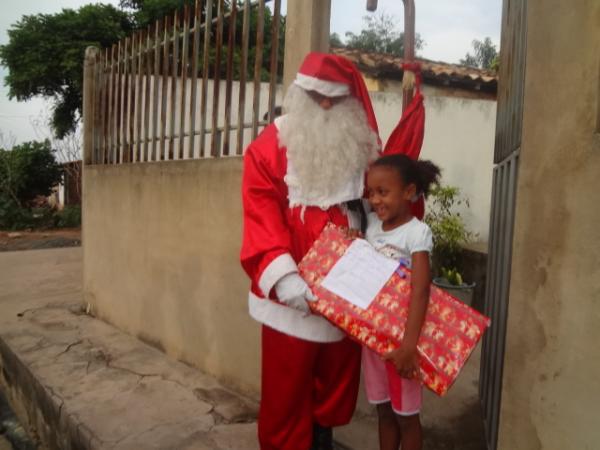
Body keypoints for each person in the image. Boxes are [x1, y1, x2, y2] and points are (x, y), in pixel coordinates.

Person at [240, 52, 380, 450]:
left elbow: (380, 199)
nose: (323, 106)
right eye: (315, 95)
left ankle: (322, 439)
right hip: (293, 298)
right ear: (299, 93)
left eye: (332, 99)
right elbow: (260, 212)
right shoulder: (270, 146)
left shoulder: (360, 145)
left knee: (336, 381)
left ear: (349, 103)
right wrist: (284, 279)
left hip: (347, 288)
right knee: (288, 388)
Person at [362, 154, 440, 450]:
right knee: (383, 410)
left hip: (403, 344)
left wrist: (409, 347)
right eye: (371, 193)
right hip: (372, 342)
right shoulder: (370, 226)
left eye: (383, 192)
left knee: (406, 417)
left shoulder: (417, 233)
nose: (375, 200)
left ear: (408, 192)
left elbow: (421, 291)